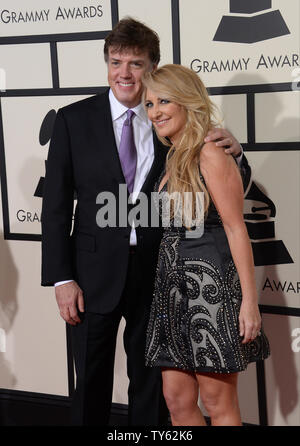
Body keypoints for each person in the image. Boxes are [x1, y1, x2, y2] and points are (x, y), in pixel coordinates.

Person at [41, 18, 245, 426]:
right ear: (107, 64)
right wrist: (62, 278)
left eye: (136, 63)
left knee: (152, 386)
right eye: (116, 62)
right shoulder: (73, 120)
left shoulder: (170, 121)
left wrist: (236, 153)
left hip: (158, 273)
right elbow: (57, 206)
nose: (125, 73)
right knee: (90, 382)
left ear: (152, 67)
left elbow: (214, 175)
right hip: (92, 273)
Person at [143, 64, 270, 426]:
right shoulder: (173, 154)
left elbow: (235, 229)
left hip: (210, 290)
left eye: (164, 101)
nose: (155, 112)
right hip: (172, 290)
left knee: (218, 403)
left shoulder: (210, 153)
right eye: (149, 103)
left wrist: (249, 302)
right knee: (176, 400)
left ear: (188, 103)